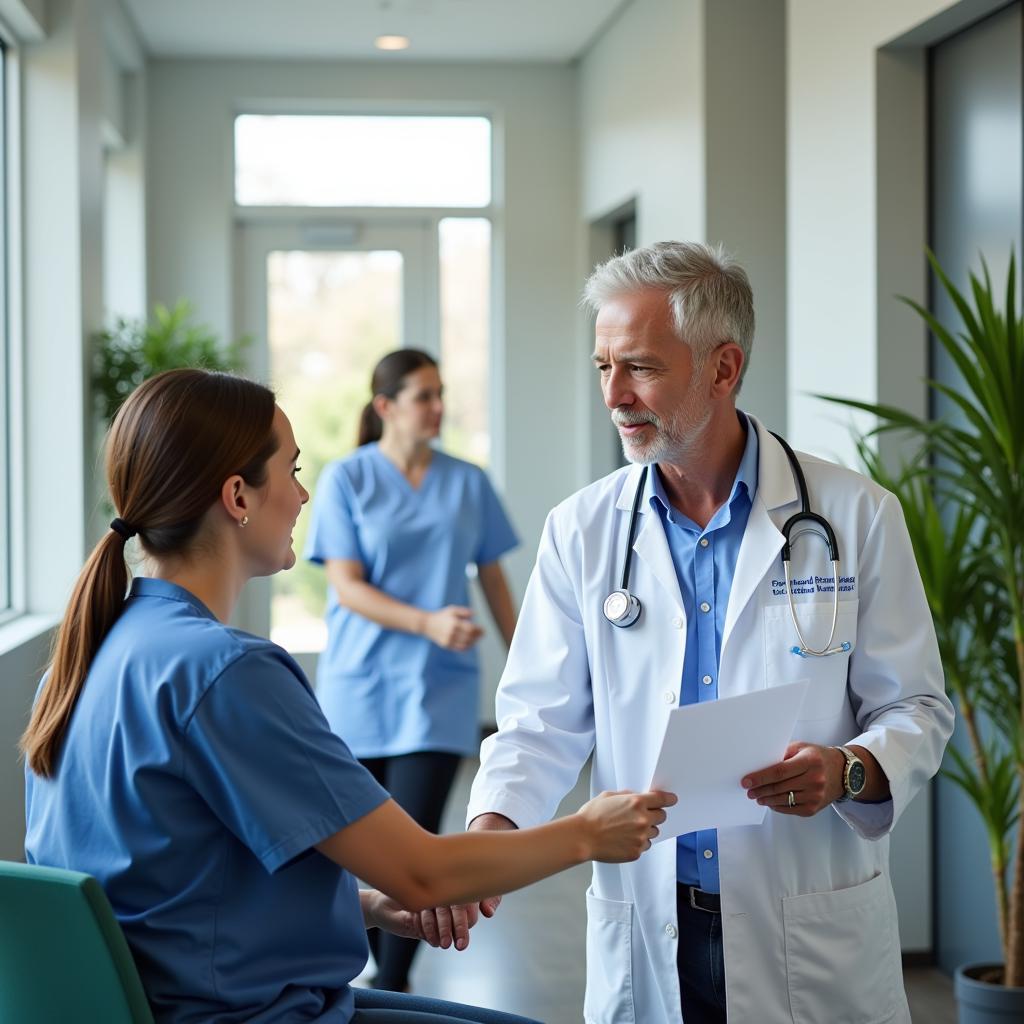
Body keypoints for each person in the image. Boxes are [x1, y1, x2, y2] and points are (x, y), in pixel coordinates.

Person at [21, 368, 675, 1024]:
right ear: (238, 497)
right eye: (292, 470)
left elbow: (170, 888)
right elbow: (425, 874)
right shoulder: (225, 673)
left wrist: (368, 905)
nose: (303, 496)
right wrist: (589, 834)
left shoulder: (82, 661)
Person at [466, 242, 955, 1024]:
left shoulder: (856, 516)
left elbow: (919, 709)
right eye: (603, 367)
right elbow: (536, 726)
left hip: (804, 919)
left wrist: (850, 769)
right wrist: (485, 846)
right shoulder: (583, 530)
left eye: (641, 367)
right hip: (650, 916)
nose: (615, 395)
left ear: (723, 368)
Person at [305, 349, 519, 992]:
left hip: (438, 692)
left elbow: (495, 579)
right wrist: (427, 622)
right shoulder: (348, 478)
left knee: (417, 852)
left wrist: (527, 665)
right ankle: (355, 976)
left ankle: (391, 984)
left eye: (440, 394)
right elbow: (345, 587)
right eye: (423, 395)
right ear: (385, 407)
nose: (437, 407)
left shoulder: (467, 480)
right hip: (359, 689)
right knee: (355, 848)